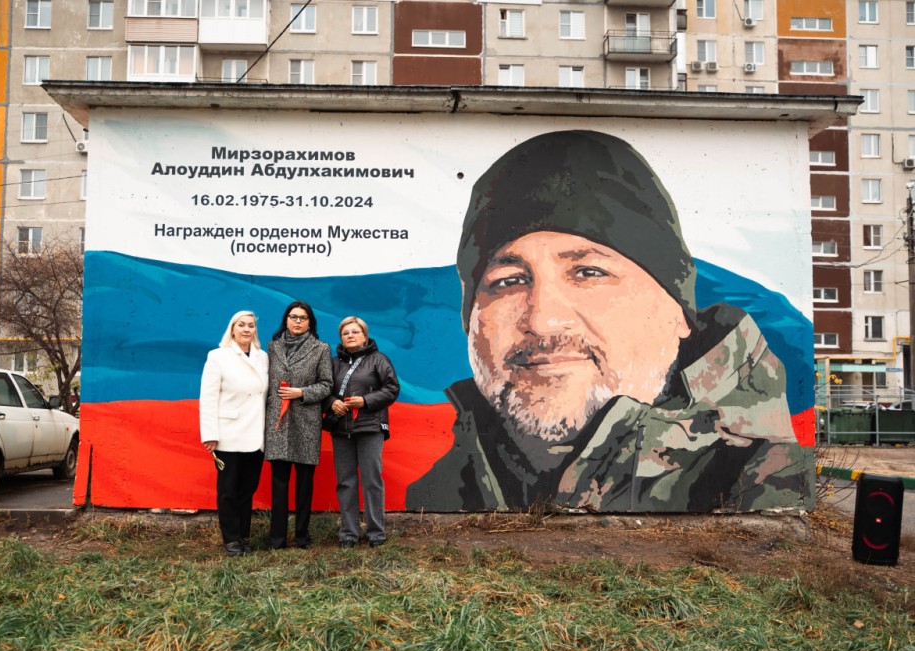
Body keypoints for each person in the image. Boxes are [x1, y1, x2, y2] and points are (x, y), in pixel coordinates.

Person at [406, 130, 814, 513]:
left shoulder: (764, 483)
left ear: (677, 313)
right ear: (472, 323)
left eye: (589, 273)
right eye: (508, 281)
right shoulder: (434, 495)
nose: (544, 321)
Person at [325, 316, 400, 548]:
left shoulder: (378, 359)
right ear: (341, 338)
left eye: (355, 332)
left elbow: (392, 388)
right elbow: (323, 388)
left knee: (371, 480)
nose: (350, 336)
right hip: (341, 429)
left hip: (370, 427)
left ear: (365, 336)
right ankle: (349, 533)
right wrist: (330, 402)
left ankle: (376, 533)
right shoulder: (334, 363)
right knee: (345, 481)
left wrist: (365, 401)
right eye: (345, 333)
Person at [199, 310, 268, 556]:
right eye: (242, 325)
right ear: (233, 329)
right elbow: (208, 397)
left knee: (247, 489)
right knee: (228, 490)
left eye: (251, 325)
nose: (247, 329)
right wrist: (209, 433)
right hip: (228, 434)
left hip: (256, 434)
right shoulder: (218, 357)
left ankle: (244, 536)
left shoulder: (263, 357)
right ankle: (231, 539)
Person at [265, 301, 332, 549]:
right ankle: (277, 538)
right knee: (279, 483)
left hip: (306, 423)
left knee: (304, 484)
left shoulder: (320, 349)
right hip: (278, 424)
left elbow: (326, 384)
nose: (297, 321)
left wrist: (301, 392)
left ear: (310, 323)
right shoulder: (272, 348)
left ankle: (302, 535)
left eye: (303, 318)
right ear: (286, 320)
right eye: (293, 317)